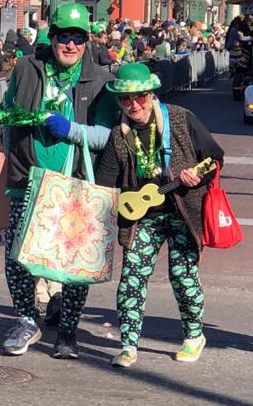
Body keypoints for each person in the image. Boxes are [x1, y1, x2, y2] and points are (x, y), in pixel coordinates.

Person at [0, 2, 116, 358]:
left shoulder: (100, 81)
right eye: (65, 37)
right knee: (17, 257)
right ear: (53, 38)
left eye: (79, 38)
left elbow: (107, 136)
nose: (71, 45)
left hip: (76, 184)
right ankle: (27, 321)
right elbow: (6, 112)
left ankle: (67, 330)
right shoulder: (27, 68)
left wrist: (72, 130)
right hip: (28, 179)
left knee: (76, 262)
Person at [95, 63, 225, 368]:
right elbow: (104, 183)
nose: (135, 105)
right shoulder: (119, 135)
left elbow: (215, 157)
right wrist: (115, 204)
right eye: (126, 100)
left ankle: (194, 336)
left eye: (141, 97)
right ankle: (128, 345)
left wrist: (198, 176)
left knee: (182, 276)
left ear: (152, 94)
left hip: (182, 211)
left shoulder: (180, 119)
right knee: (131, 280)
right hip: (143, 218)